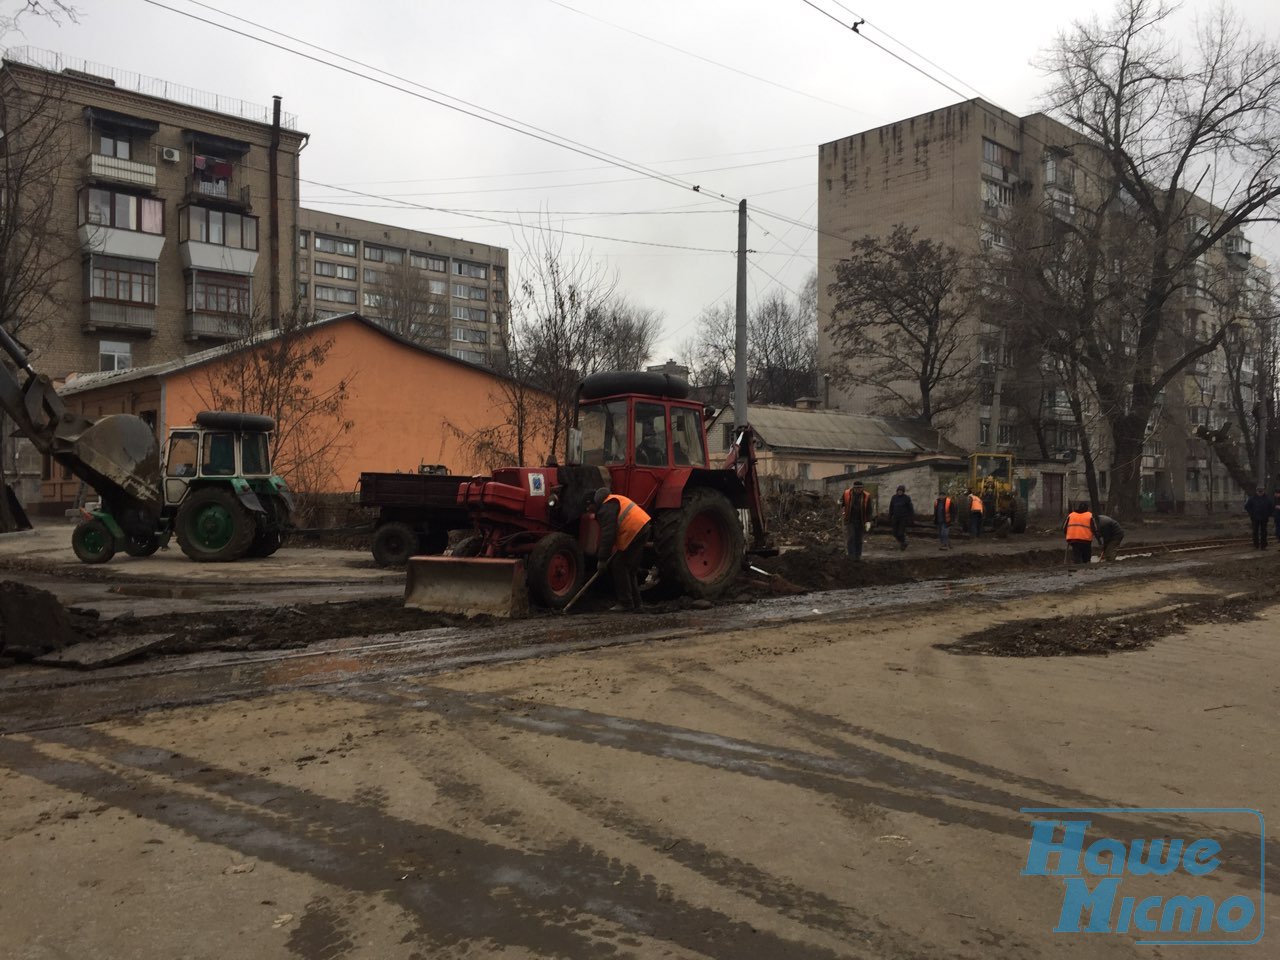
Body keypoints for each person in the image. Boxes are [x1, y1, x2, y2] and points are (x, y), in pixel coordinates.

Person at [592, 487, 652, 610]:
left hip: (635, 530)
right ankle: (637, 603)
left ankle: (625, 603)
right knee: (630, 568)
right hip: (643, 528)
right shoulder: (615, 500)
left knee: (619, 565)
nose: (589, 510)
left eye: (589, 507)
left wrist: (602, 559)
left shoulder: (606, 507)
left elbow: (608, 534)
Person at [841, 480, 872, 560]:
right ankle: (851, 556)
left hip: (861, 520)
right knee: (851, 537)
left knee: (858, 538)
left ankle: (858, 556)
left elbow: (869, 510)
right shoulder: (847, 494)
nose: (858, 490)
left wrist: (868, 521)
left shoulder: (866, 496)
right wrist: (839, 504)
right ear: (853, 488)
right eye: (856, 488)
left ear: (862, 488)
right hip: (850, 519)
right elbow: (842, 503)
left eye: (860, 488)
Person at [1244, 486, 1273, 550]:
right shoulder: (1252, 499)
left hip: (1264, 518)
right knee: (1255, 532)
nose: (1260, 493)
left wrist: (1268, 514)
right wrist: (1251, 513)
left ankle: (1263, 546)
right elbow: (1247, 507)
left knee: (1264, 532)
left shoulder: (1268, 499)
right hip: (1255, 518)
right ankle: (1256, 545)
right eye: (1259, 492)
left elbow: (1271, 507)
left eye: (1261, 491)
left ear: (1263, 491)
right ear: (1256, 491)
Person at [888, 484, 914, 550]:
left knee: (900, 533)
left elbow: (910, 509)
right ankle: (903, 543)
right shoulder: (894, 497)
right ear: (897, 491)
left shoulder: (906, 498)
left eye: (901, 491)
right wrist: (890, 516)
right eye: (899, 491)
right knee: (894, 533)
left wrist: (911, 518)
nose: (900, 492)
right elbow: (891, 507)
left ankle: (903, 543)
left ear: (903, 491)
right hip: (895, 517)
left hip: (903, 518)